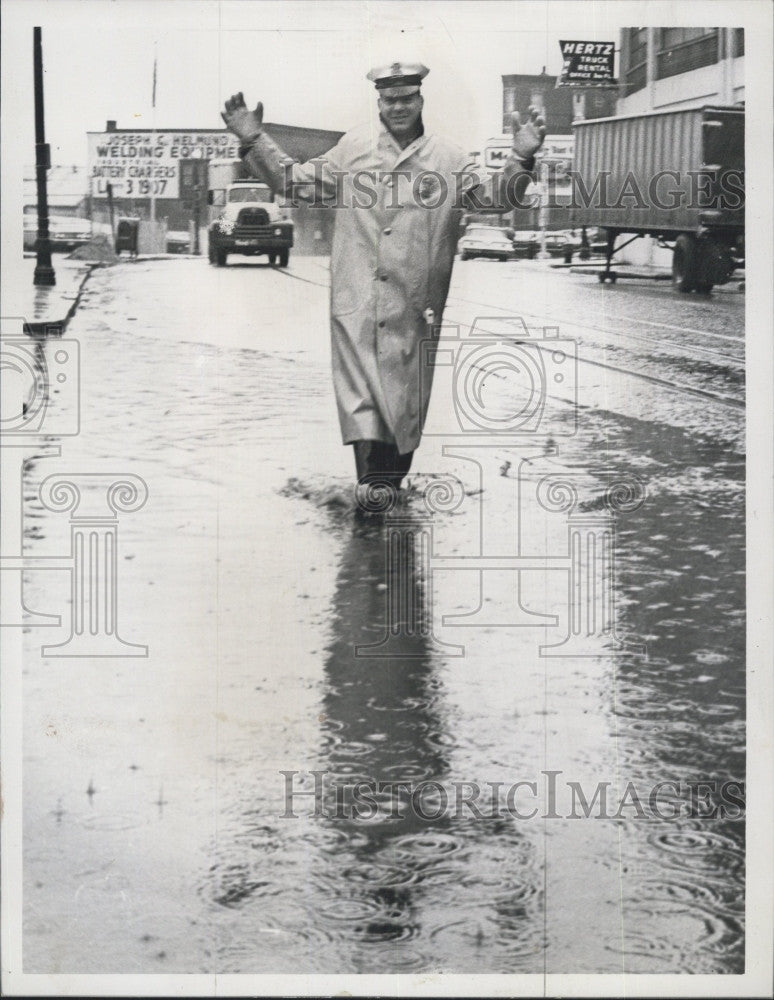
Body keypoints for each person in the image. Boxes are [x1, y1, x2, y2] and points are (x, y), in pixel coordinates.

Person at [221, 62, 545, 493]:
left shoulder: (448, 159)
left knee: (403, 427)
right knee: (367, 418)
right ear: (378, 102)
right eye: (390, 99)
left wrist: (521, 157)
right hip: (359, 306)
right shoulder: (352, 150)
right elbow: (291, 183)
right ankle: (373, 519)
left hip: (416, 309)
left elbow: (494, 198)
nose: (398, 107)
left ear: (420, 100)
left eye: (406, 98)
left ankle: (385, 499)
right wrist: (252, 138)